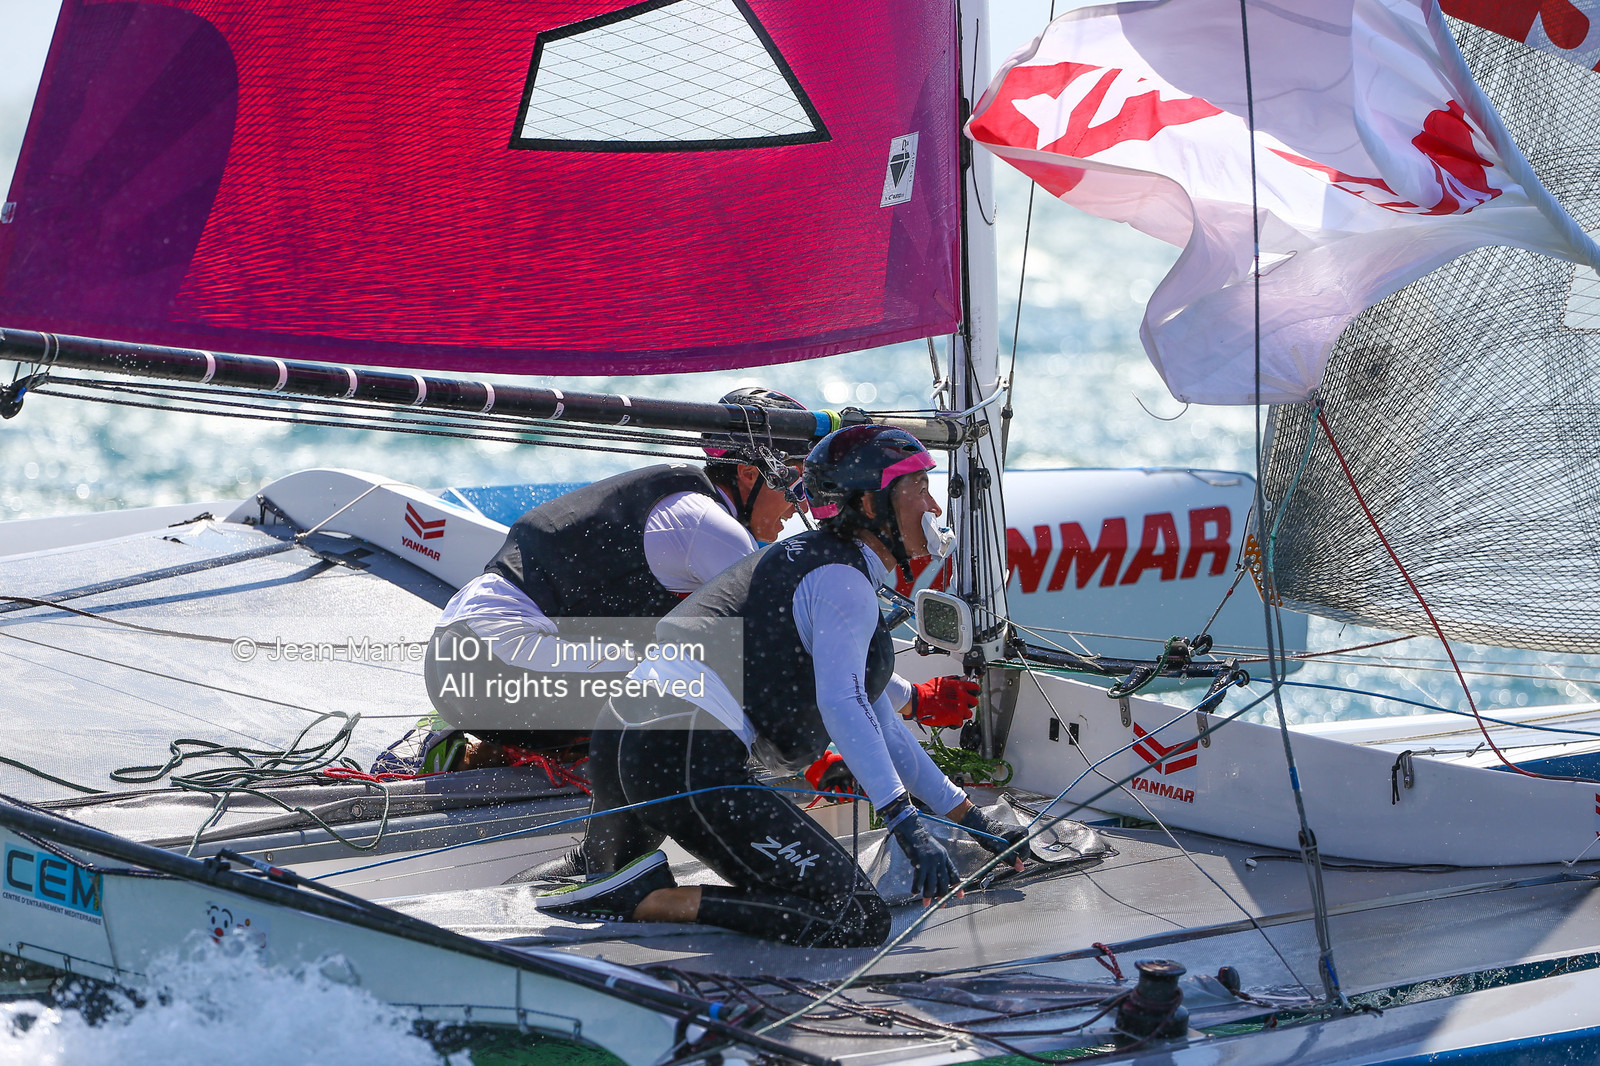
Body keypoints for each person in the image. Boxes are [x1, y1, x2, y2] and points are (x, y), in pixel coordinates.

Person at [535, 425, 1026, 948]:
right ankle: (651, 901)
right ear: (869, 502)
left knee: (606, 875)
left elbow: (878, 721)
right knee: (855, 916)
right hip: (683, 754)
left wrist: (969, 819)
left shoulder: (810, 561)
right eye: (918, 490)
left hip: (627, 733)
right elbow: (844, 703)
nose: (932, 506)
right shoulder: (843, 581)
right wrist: (903, 820)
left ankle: (622, 890)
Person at [373, 387, 818, 775]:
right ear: (748, 472)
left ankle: (473, 751)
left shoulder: (688, 506)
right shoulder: (706, 524)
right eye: (796, 482)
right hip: (492, 665)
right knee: (706, 676)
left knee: (689, 656)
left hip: (467, 664)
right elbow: (784, 645)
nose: (798, 503)